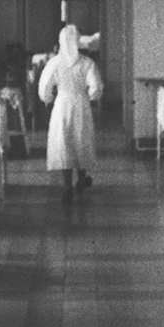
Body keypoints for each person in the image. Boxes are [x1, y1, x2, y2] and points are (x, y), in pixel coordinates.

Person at [38, 23, 103, 202]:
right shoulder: (87, 63)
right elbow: (96, 86)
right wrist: (92, 97)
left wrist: (48, 98)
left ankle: (67, 185)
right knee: (81, 139)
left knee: (64, 141)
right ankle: (81, 178)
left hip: (62, 104)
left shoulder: (55, 63)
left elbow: (44, 87)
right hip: (81, 103)